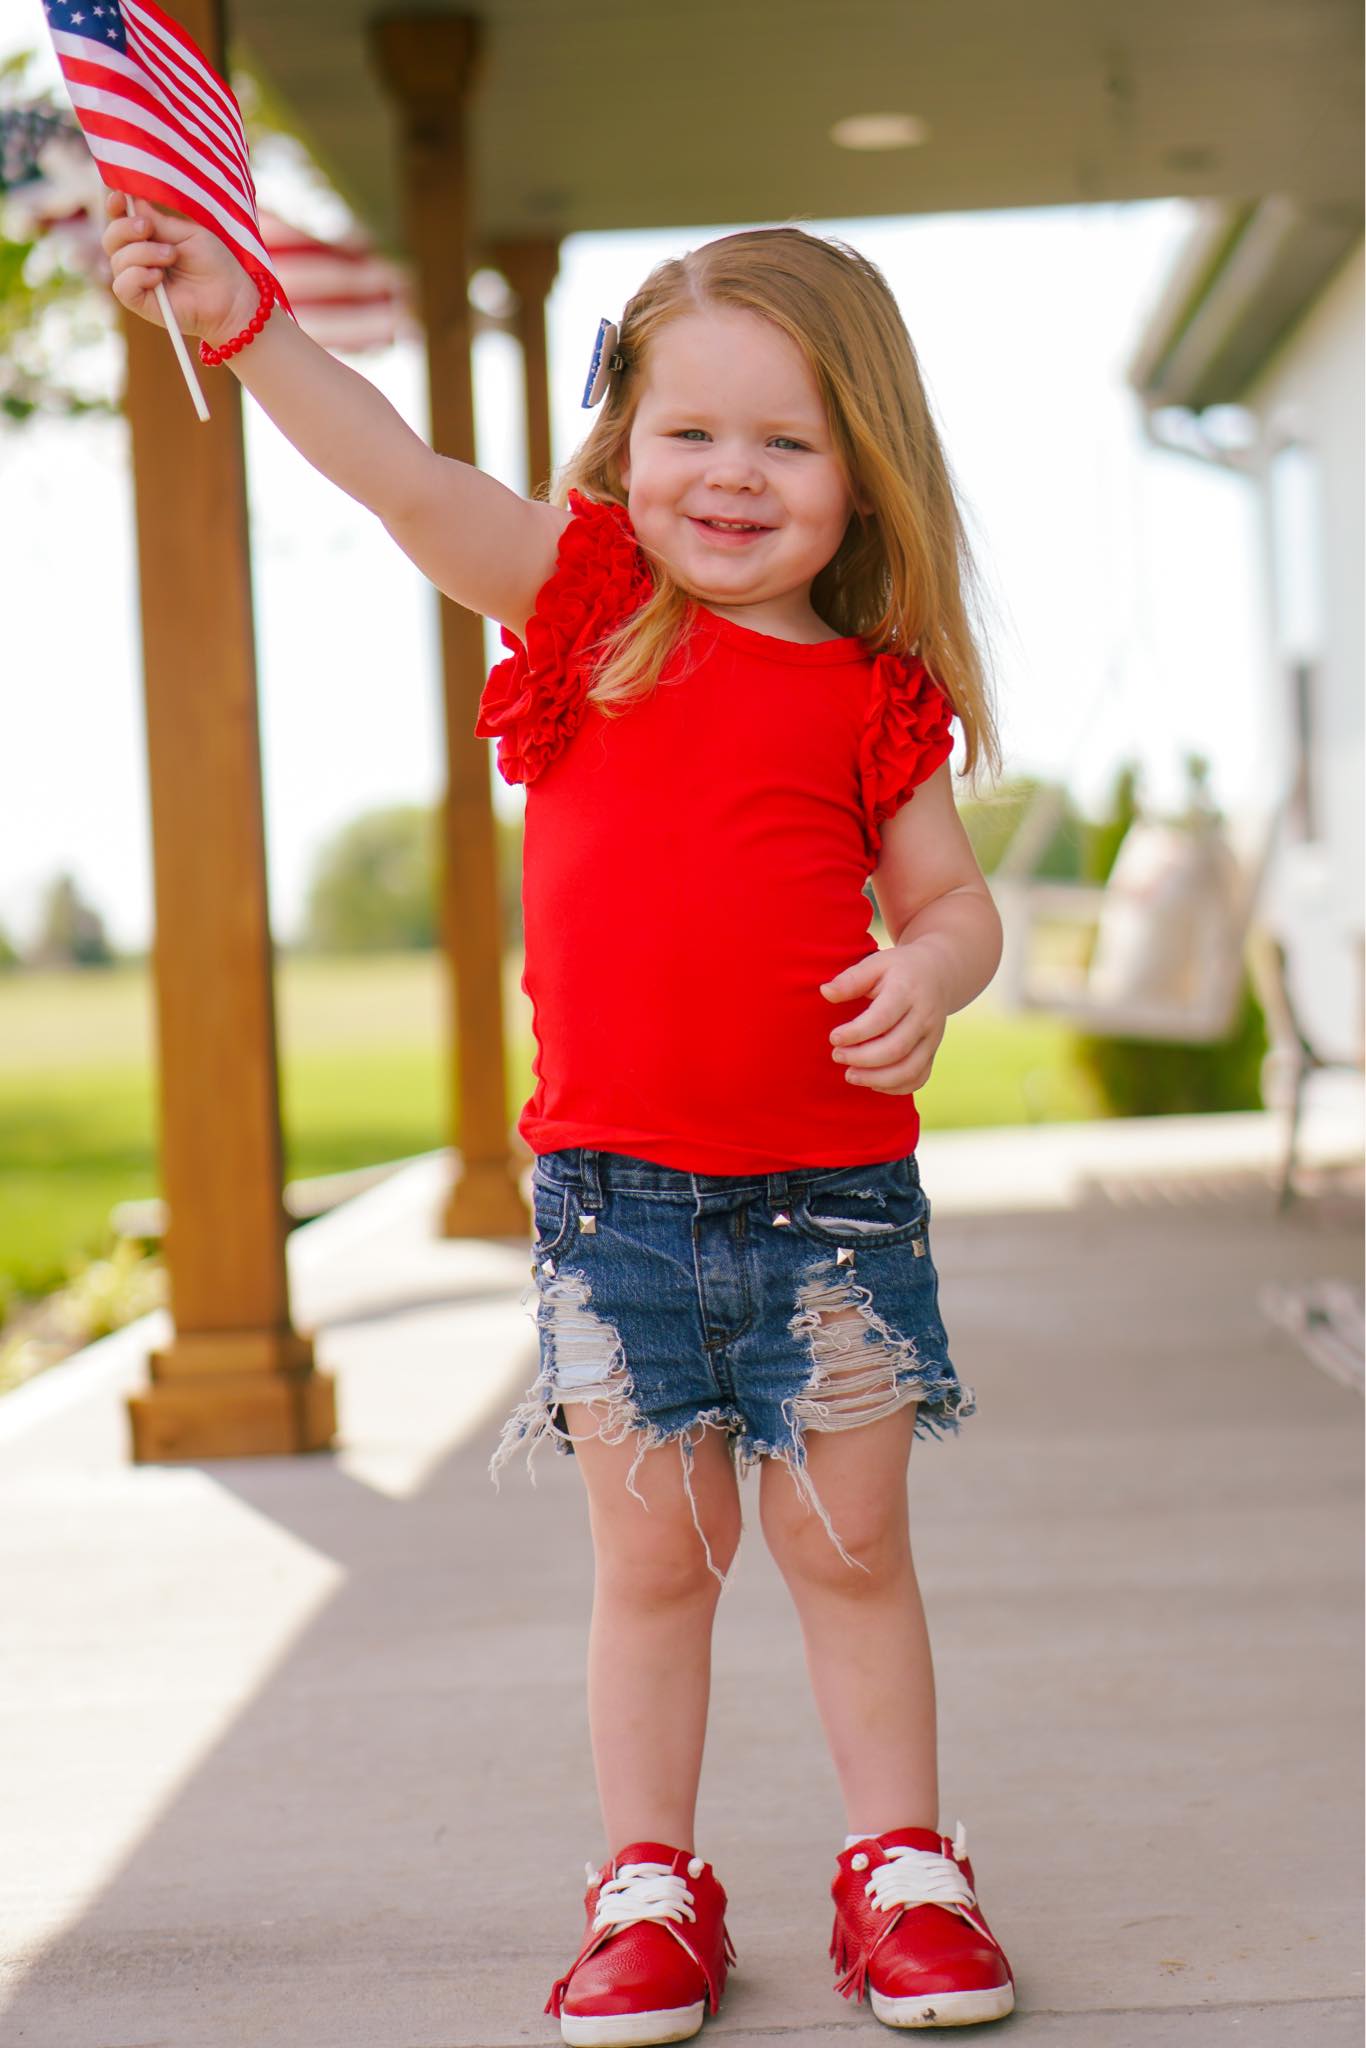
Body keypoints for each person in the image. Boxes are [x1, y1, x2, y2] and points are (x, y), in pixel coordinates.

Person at [103, 195, 1016, 2040]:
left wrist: (930, 972)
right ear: (622, 445)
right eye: (688, 431)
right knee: (654, 1559)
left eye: (787, 439)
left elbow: (953, 902)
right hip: (618, 1206)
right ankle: (651, 1883)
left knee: (850, 1552)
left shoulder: (871, 699)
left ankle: (902, 1865)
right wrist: (245, 322)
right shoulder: (589, 609)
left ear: (864, 468)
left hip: (832, 1202)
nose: (730, 476)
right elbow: (403, 473)